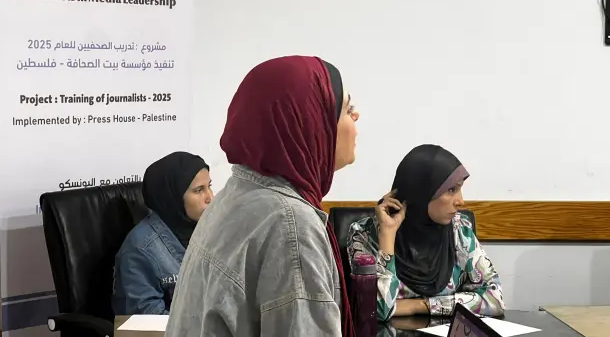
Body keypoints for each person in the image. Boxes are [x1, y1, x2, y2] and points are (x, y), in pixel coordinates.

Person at [165, 56, 359, 337]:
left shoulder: (235, 195)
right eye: (347, 109)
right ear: (311, 122)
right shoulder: (290, 224)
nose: (356, 116)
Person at [347, 144, 504, 321]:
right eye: (451, 190)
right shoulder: (364, 235)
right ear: (421, 191)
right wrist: (387, 236)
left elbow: (495, 299)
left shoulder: (459, 230)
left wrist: (421, 306)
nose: (461, 201)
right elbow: (375, 311)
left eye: (459, 189)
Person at [112, 151, 213, 315]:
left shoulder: (210, 231)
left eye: (209, 186)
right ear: (172, 195)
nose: (210, 197)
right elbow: (147, 322)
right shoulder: (139, 250)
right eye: (199, 190)